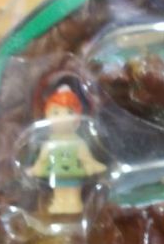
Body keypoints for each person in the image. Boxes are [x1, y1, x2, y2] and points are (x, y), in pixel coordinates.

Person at [25, 85, 106, 214]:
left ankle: (74, 203)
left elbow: (85, 158)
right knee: (59, 191)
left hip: (74, 172)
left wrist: (93, 165)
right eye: (56, 112)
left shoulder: (78, 142)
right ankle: (59, 204)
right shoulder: (50, 143)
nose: (62, 117)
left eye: (69, 112)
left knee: (73, 191)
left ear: (78, 120)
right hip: (57, 173)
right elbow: (42, 159)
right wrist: (35, 169)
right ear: (47, 117)